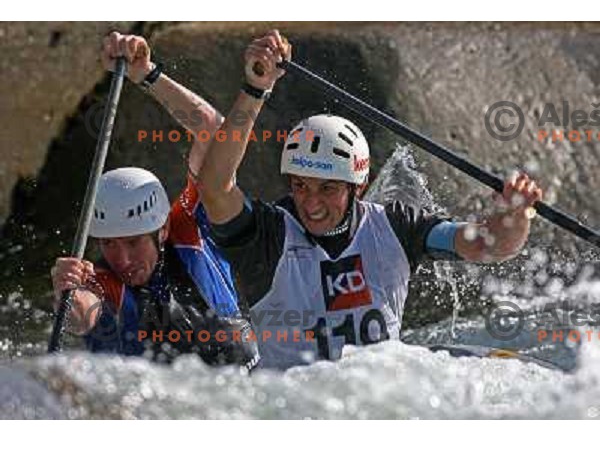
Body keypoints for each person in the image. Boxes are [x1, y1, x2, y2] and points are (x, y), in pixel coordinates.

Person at [198, 29, 544, 370]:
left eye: (328, 189)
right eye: (301, 186)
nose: (311, 204)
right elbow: (215, 187)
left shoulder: (397, 226)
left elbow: (491, 244)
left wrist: (515, 212)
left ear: (358, 187)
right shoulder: (268, 235)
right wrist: (255, 89)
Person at [50, 32, 259, 370]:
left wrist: (145, 73)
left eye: (133, 243)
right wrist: (65, 292)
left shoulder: (188, 225)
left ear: (162, 231)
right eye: (110, 245)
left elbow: (212, 131)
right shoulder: (101, 278)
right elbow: (82, 316)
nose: (122, 259)